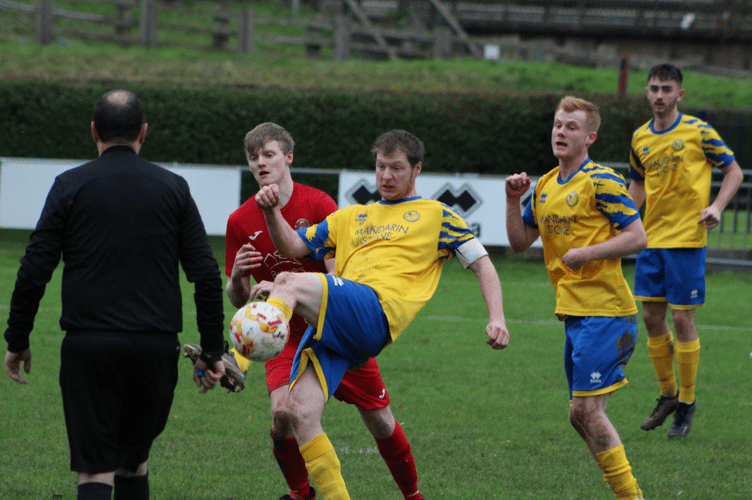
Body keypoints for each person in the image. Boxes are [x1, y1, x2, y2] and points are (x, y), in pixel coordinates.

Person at [249, 129, 510, 499]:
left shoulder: (438, 216)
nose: (386, 176)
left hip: (376, 310)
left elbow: (483, 264)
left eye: (397, 168)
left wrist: (496, 317)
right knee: (297, 411)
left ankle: (250, 341)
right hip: (343, 324)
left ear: (416, 170)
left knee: (288, 280)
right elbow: (293, 244)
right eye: (380, 166)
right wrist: (271, 211)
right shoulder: (351, 216)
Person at [3, 90, 227, 500]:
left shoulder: (69, 186)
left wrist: (17, 339)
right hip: (154, 348)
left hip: (90, 347)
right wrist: (213, 350)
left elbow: (34, 269)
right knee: (133, 462)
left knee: (95, 470)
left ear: (93, 132)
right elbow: (207, 276)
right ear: (144, 132)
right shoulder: (174, 188)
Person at [222, 122, 427, 500]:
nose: (261, 163)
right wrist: (237, 277)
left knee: (380, 419)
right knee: (283, 414)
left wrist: (292, 286)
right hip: (281, 334)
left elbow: (340, 275)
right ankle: (302, 494)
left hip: (332, 326)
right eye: (254, 158)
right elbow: (240, 300)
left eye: (269, 155)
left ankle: (413, 495)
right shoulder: (239, 221)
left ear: (288, 157)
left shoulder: (318, 205)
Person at [505, 96, 647, 500]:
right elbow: (519, 242)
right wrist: (513, 200)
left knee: (587, 411)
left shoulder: (601, 181)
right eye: (557, 125)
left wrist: (586, 253)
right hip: (575, 316)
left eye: (571, 127)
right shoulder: (546, 185)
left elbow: (638, 237)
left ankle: (631, 496)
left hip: (608, 313)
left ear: (590, 137)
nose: (561, 132)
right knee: (578, 415)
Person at [628, 64, 744, 438]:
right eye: (653, 88)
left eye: (666, 89)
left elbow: (734, 171)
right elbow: (637, 185)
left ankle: (688, 403)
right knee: (650, 318)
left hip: (687, 240)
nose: (659, 95)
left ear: (680, 95)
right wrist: (628, 224)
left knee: (682, 320)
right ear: (646, 93)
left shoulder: (698, 131)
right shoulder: (640, 138)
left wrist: (717, 207)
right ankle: (667, 394)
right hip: (651, 240)